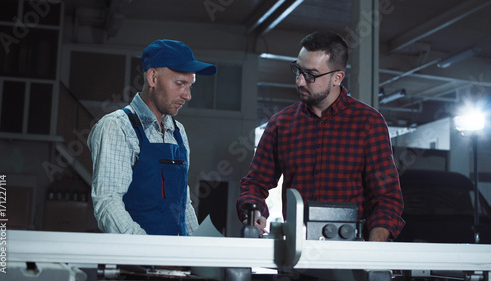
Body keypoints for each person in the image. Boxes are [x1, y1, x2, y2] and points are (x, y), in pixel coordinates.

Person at [236, 31, 404, 241]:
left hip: (349, 255)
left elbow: (386, 197)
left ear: (337, 77)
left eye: (311, 75)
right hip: (294, 255)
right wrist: (254, 214)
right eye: (298, 70)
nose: (300, 82)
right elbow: (254, 183)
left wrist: (372, 253)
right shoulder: (281, 123)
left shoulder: (369, 123)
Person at [88, 39, 217, 235]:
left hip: (174, 261)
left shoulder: (178, 132)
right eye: (180, 83)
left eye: (190, 85)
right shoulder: (117, 127)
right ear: (153, 78)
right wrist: (146, 249)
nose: (188, 95)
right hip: (135, 262)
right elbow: (108, 202)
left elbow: (184, 204)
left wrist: (195, 251)